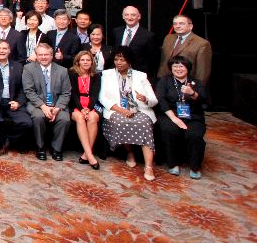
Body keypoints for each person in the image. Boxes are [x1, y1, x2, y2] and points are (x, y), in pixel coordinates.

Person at [100, 47, 159, 181]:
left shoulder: (141, 76)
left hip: (140, 110)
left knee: (144, 123)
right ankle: (130, 152)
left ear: (129, 61)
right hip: (117, 109)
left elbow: (154, 100)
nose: (118, 62)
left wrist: (145, 99)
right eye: (116, 59)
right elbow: (102, 97)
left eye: (122, 60)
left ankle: (149, 166)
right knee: (121, 121)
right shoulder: (107, 74)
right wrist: (121, 110)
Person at [155, 56, 208, 179]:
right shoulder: (164, 81)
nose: (178, 69)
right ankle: (173, 163)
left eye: (181, 66)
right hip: (169, 114)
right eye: (175, 66)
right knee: (169, 131)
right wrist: (174, 118)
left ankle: (195, 167)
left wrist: (193, 93)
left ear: (187, 68)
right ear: (171, 68)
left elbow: (205, 101)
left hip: (192, 116)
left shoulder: (196, 82)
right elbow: (160, 100)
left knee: (194, 135)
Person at [0, 39, 33, 154]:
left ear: (9, 50)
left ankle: (6, 140)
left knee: (27, 123)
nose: (1, 51)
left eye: (4, 48)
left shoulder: (18, 66)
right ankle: (4, 141)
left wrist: (18, 102)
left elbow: (23, 88)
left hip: (12, 102)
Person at [22, 43, 71, 162]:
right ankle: (40, 147)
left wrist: (57, 108)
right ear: (36, 56)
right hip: (37, 104)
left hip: (57, 104)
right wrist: (43, 107)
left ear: (52, 55)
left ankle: (56, 149)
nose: (43, 57)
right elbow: (29, 91)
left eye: (46, 54)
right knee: (38, 117)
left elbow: (66, 93)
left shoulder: (62, 70)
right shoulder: (28, 69)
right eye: (40, 55)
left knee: (64, 119)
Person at [68, 50, 102, 169]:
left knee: (93, 118)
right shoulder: (72, 73)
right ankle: (90, 155)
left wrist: (89, 108)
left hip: (92, 105)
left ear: (92, 62)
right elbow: (73, 94)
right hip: (76, 105)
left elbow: (94, 94)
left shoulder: (96, 76)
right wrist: (81, 109)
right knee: (80, 118)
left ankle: (86, 154)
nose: (85, 62)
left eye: (88, 60)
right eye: (82, 60)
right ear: (78, 61)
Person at [157, 15, 212, 86]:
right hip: (164, 82)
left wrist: (195, 87)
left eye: (181, 23)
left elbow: (202, 72)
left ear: (190, 26)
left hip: (186, 84)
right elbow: (163, 61)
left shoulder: (202, 43)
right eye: (175, 24)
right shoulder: (168, 38)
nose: (178, 26)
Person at [113, 6, 157, 75]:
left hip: (139, 74)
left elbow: (152, 60)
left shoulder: (148, 35)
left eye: (133, 15)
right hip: (118, 73)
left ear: (139, 16)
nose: (129, 18)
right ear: (123, 17)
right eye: (126, 15)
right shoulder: (117, 32)